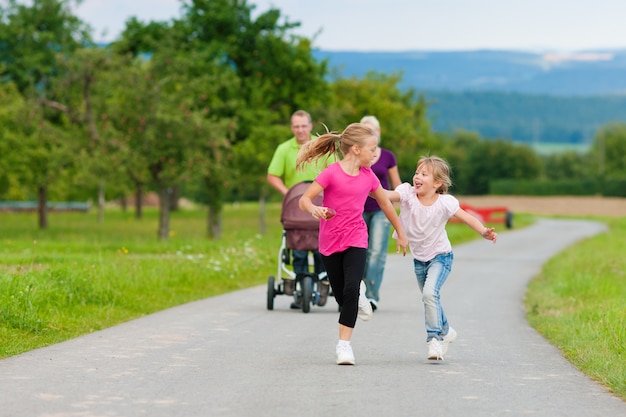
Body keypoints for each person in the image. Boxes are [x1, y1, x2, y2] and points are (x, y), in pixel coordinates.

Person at [297, 123, 409, 365]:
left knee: (349, 290)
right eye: (372, 149)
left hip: (357, 238)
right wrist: (316, 209)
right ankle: (359, 295)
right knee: (342, 295)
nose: (375, 154)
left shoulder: (369, 177)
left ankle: (344, 345)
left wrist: (400, 230)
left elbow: (386, 204)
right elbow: (304, 200)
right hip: (329, 242)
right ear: (356, 149)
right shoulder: (331, 173)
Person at [385, 156, 497, 361]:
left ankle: (434, 340)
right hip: (419, 259)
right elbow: (385, 194)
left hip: (441, 257)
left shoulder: (445, 203)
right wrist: (364, 183)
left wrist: (483, 232)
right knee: (430, 298)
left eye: (424, 174)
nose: (417, 176)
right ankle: (447, 330)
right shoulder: (407, 194)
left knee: (429, 294)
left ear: (437, 183)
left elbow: (468, 218)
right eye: (417, 172)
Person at [267, 110, 333, 308]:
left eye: (303, 126)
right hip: (296, 208)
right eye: (296, 126)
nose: (300, 130)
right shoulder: (284, 149)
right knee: (298, 249)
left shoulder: (321, 146)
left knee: (322, 248)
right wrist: (288, 192)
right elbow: (272, 175)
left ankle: (322, 283)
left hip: (320, 205)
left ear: (310, 126)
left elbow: (335, 171)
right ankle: (299, 287)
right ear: (291, 128)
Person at [359, 115, 401, 312]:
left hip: (381, 210)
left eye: (373, 131)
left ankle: (372, 296)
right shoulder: (356, 155)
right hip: (358, 209)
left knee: (376, 252)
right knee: (360, 253)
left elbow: (397, 185)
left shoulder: (387, 156)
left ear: (379, 133)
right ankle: (358, 292)